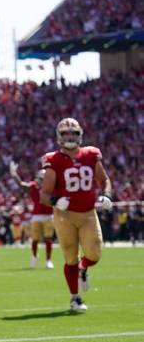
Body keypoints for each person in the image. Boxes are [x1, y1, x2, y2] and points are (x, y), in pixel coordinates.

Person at [40, 118, 112, 312]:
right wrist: (55, 201)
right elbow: (44, 195)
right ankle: (75, 298)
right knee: (70, 257)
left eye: (73, 134)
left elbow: (104, 179)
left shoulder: (90, 154)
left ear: (80, 135)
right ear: (59, 137)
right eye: (66, 134)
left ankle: (84, 268)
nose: (70, 137)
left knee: (94, 254)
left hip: (88, 213)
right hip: (65, 215)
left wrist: (106, 194)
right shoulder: (53, 160)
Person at [10, 162, 55, 268]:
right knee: (34, 240)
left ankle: (48, 260)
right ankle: (34, 256)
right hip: (37, 216)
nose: (41, 181)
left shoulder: (51, 187)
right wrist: (14, 174)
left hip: (49, 215)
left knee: (48, 239)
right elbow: (21, 184)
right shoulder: (33, 187)